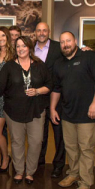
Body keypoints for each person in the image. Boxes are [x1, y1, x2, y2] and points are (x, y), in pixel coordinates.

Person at [50, 31, 95, 189]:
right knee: (71, 147)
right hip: (67, 113)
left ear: (75, 41)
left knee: (86, 149)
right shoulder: (58, 63)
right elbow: (56, 88)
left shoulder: (89, 56)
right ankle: (73, 174)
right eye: (62, 42)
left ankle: (85, 184)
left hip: (87, 113)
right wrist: (53, 108)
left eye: (68, 41)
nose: (65, 44)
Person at [0, 36, 52, 184]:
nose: (21, 49)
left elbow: (50, 85)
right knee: (17, 142)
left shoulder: (40, 65)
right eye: (18, 46)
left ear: (29, 48)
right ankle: (19, 171)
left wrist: (37, 91)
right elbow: (0, 86)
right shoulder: (9, 66)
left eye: (24, 46)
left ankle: (30, 172)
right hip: (13, 110)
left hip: (36, 110)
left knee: (36, 141)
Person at [34, 22, 66, 178]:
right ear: (35, 32)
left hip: (56, 96)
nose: (41, 33)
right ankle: (39, 162)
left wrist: (85, 50)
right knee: (40, 133)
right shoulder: (30, 48)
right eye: (39, 30)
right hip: (38, 98)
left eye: (44, 30)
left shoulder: (58, 47)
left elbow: (71, 53)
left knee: (59, 133)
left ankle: (58, 165)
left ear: (49, 32)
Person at [0, 27, 14, 173]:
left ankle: (6, 157)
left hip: (6, 98)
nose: (1, 38)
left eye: (3, 35)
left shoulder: (14, 54)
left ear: (8, 37)